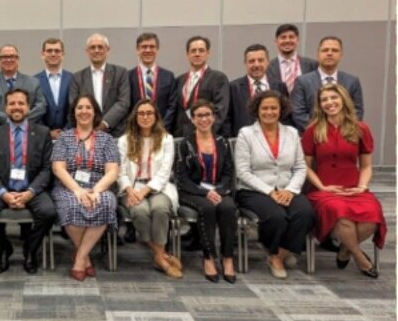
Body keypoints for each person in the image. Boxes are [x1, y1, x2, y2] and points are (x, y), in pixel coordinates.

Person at [302, 84, 386, 278]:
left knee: (371, 217)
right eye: (324, 100)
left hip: (354, 187)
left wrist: (362, 187)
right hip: (324, 188)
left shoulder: (361, 129)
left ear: (343, 100)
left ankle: (345, 250)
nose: (330, 103)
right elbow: (305, 166)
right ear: (320, 105)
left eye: (334, 98)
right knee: (341, 215)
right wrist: (322, 186)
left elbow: (366, 166)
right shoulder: (313, 130)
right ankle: (360, 258)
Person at [0, 89, 57, 274]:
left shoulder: (43, 133)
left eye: (21, 103)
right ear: (5, 108)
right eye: (12, 103)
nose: (16, 107)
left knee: (49, 212)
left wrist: (29, 193)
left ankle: (30, 250)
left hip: (32, 189)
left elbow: (46, 169)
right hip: (2, 188)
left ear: (28, 107)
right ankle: (3, 249)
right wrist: (4, 194)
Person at [234, 91, 316, 279]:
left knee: (305, 213)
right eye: (265, 108)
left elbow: (300, 167)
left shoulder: (292, 133)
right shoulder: (246, 134)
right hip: (254, 190)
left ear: (281, 110)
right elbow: (243, 172)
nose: (269, 112)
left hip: (287, 188)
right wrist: (270, 191)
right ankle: (278, 256)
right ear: (257, 110)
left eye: (274, 108)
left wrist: (290, 190)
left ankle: (279, 253)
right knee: (276, 216)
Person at [51, 94, 119, 281]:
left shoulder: (107, 139)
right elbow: (58, 168)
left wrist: (96, 190)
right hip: (68, 186)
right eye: (79, 107)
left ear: (95, 112)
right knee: (70, 205)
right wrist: (78, 190)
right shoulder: (64, 138)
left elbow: (113, 171)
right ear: (74, 112)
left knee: (105, 202)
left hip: (100, 185)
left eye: (88, 107)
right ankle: (85, 257)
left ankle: (80, 256)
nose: (84, 111)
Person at [176, 100, 237, 283]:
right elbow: (182, 178)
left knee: (228, 208)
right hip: (193, 192)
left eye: (207, 115)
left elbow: (228, 173)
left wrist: (219, 190)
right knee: (207, 209)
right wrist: (205, 192)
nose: (204, 119)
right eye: (199, 116)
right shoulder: (185, 144)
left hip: (219, 190)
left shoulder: (223, 143)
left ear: (214, 118)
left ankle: (227, 258)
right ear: (192, 120)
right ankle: (209, 257)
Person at [117, 100, 181, 278]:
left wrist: (144, 191)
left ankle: (158, 256)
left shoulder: (167, 139)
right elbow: (120, 171)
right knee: (140, 211)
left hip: (159, 187)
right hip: (131, 187)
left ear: (156, 117)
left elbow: (164, 171)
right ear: (135, 117)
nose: (145, 117)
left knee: (160, 208)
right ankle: (161, 256)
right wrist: (130, 190)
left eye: (149, 113)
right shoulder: (124, 140)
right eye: (141, 113)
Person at [291, 36, 364, 132]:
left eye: (335, 50)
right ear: (318, 54)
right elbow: (298, 114)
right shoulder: (302, 81)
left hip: (344, 137)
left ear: (341, 55)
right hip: (313, 138)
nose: (329, 53)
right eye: (325, 50)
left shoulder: (352, 81)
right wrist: (324, 132)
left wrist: (339, 132)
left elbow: (357, 112)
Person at [68, 33, 130, 137]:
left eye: (100, 47)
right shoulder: (77, 77)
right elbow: (73, 104)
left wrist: (104, 123)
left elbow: (123, 103)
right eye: (92, 47)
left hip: (116, 134)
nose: (96, 50)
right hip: (86, 134)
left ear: (107, 49)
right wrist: (89, 125)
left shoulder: (121, 73)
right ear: (87, 51)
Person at [224, 44, 290, 137]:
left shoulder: (279, 86)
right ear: (245, 63)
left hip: (273, 140)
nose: (256, 64)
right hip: (243, 141)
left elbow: (285, 116)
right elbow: (227, 119)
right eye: (251, 61)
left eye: (260, 60)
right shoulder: (233, 87)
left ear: (267, 62)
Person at [170, 36, 229, 137]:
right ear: (187, 54)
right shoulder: (179, 80)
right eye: (193, 51)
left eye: (201, 50)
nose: (197, 54)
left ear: (208, 53)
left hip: (205, 136)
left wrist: (206, 134)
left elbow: (220, 110)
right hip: (179, 137)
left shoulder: (219, 78)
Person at [0, 44, 46, 129]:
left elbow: (41, 106)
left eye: (12, 56)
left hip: (29, 134)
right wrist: (8, 120)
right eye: (4, 57)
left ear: (18, 59)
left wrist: (22, 120)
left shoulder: (34, 82)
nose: (9, 59)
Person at [128, 33, 178, 134]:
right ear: (137, 50)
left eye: (152, 47)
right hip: (135, 133)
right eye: (144, 47)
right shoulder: (128, 77)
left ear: (157, 49)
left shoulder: (168, 76)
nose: (148, 50)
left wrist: (161, 129)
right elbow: (126, 107)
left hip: (162, 133)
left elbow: (172, 106)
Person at [34, 38, 73, 140]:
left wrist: (66, 131)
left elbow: (76, 107)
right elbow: (32, 110)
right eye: (49, 51)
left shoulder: (73, 79)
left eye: (57, 51)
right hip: (41, 138)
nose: (53, 54)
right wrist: (47, 132)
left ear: (63, 54)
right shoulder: (34, 81)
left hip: (70, 137)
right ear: (42, 54)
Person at [267, 24, 318, 90]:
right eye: (283, 37)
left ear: (298, 40)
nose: (287, 41)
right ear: (276, 41)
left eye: (291, 37)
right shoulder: (268, 67)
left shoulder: (312, 65)